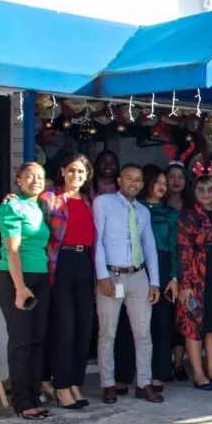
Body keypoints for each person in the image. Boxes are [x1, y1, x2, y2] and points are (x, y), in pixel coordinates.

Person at [93, 163, 163, 404]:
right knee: (108, 332)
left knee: (143, 333)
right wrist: (102, 275)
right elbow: (97, 240)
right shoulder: (103, 203)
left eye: (138, 180)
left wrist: (154, 281)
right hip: (112, 275)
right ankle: (108, 384)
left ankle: (144, 383)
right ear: (119, 180)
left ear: (143, 185)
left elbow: (149, 246)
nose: (134, 183)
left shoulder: (143, 211)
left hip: (138, 275)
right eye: (129, 178)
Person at [38, 154, 97, 409]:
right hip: (61, 263)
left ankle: (74, 381)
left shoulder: (87, 200)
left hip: (85, 265)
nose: (76, 176)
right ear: (62, 171)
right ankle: (60, 386)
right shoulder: (48, 197)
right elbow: (27, 206)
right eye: (72, 170)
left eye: (81, 172)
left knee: (84, 327)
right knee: (65, 327)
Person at [0, 162, 52, 419]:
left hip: (40, 277)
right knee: (21, 341)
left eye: (40, 177)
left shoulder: (40, 206)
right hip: (16, 278)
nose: (36, 180)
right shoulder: (12, 206)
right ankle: (22, 401)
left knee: (37, 340)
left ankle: (34, 393)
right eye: (29, 176)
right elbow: (13, 250)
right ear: (18, 180)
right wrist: (20, 288)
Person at [176, 164, 212, 391]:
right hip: (197, 280)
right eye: (200, 189)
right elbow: (183, 250)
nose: (206, 193)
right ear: (194, 191)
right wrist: (185, 283)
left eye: (210, 189)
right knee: (194, 326)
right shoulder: (188, 215)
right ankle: (199, 374)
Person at [138, 165, 180, 391]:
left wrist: (174, 276)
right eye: (158, 182)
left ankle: (159, 372)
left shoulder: (171, 214)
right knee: (136, 322)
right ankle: (133, 372)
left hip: (163, 265)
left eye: (165, 183)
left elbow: (175, 247)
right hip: (137, 264)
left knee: (161, 322)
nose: (162, 186)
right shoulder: (136, 208)